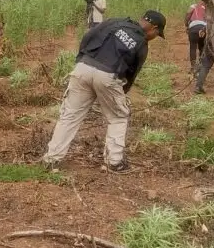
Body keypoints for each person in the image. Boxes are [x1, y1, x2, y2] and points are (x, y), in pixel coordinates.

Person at [43, 10, 166, 172]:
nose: (154, 37)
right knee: (118, 117)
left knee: (70, 116)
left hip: (83, 67)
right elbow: (132, 73)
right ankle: (114, 162)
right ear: (154, 28)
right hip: (108, 75)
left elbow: (88, 36)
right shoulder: (141, 42)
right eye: (157, 34)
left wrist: (81, 59)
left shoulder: (115, 22)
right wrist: (121, 94)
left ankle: (51, 159)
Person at [185, 0, 207, 74]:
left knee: (193, 47)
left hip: (193, 28)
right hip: (203, 28)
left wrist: (186, 25)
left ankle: (193, 67)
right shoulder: (206, 8)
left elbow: (188, 14)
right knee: (202, 47)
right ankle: (201, 67)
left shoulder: (193, 6)